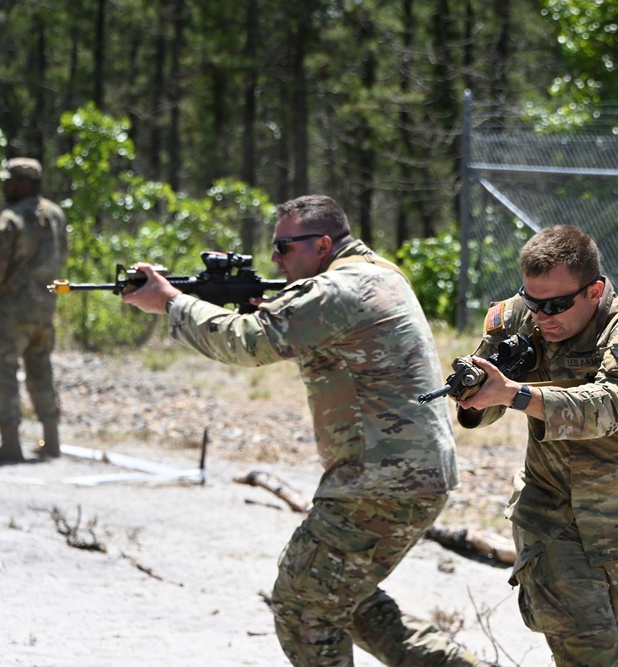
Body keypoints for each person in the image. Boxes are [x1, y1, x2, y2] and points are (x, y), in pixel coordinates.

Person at [122, 195, 492, 667]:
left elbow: (248, 343)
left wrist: (172, 303)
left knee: (303, 606)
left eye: (283, 247)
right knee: (346, 601)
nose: (275, 259)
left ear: (321, 244)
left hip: (378, 478)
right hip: (399, 474)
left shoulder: (336, 289)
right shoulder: (376, 272)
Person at [453, 224, 618, 667]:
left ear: (594, 291)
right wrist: (475, 394)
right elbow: (484, 404)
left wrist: (516, 393)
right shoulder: (520, 316)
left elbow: (608, 408)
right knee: (586, 656)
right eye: (533, 301)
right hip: (552, 516)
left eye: (557, 304)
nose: (543, 316)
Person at [0, 158, 68, 464]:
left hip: (11, 310)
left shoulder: (11, 218)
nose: (5, 186)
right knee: (40, 369)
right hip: (45, 308)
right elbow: (62, 258)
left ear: (24, 184)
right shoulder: (56, 214)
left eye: (10, 181)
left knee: (3, 371)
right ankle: (52, 441)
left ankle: (10, 444)